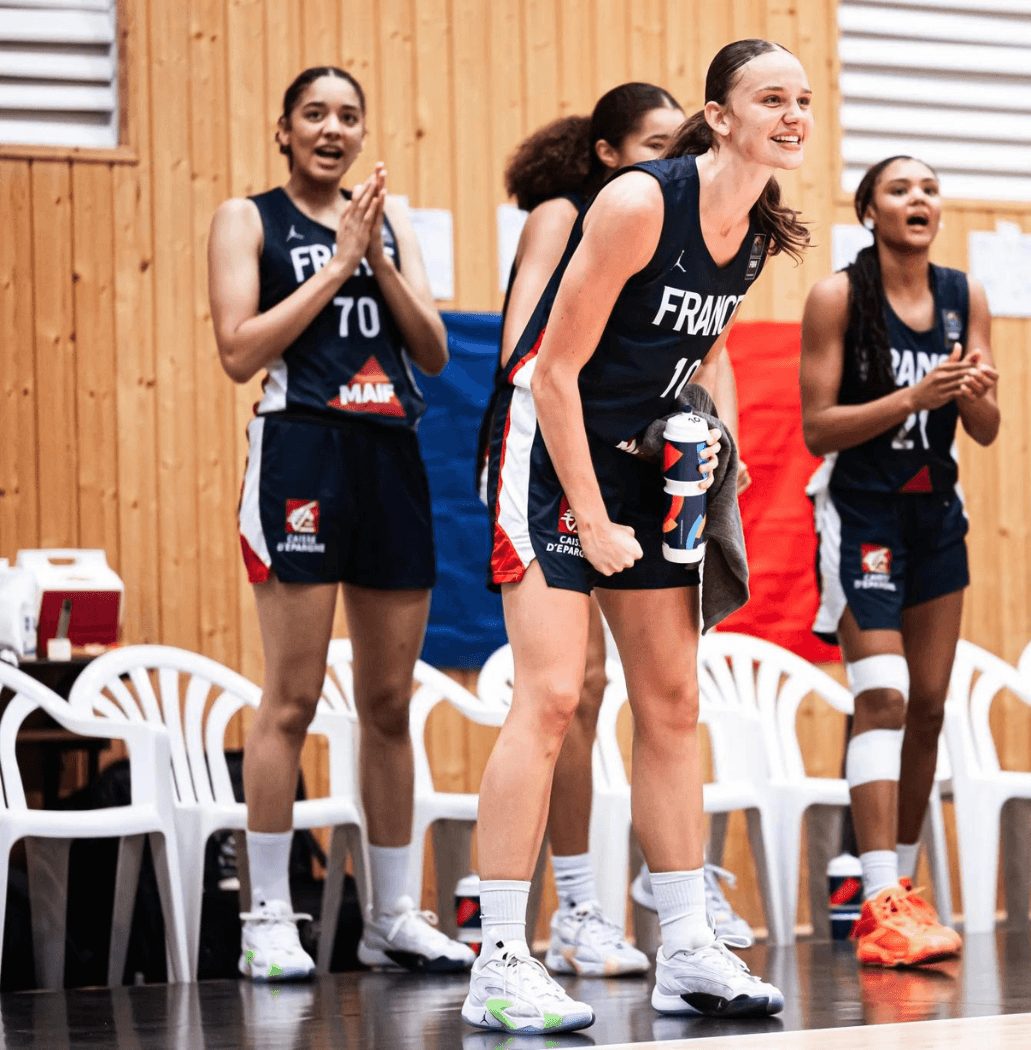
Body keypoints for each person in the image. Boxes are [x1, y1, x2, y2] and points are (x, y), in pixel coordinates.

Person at [465, 39, 811, 1032]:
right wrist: (591, 513)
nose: (792, 115)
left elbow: (689, 353)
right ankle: (500, 956)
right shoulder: (635, 204)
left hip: (643, 455)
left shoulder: (754, 227)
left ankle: (687, 947)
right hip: (550, 449)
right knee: (554, 696)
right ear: (719, 115)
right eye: (770, 98)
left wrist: (706, 444)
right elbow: (552, 370)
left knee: (672, 699)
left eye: (803, 100)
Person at [207, 66, 472, 980]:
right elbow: (240, 351)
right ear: (283, 131)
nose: (332, 128)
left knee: (391, 703)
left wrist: (377, 258)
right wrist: (334, 266)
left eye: (349, 116)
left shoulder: (387, 226)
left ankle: (392, 913)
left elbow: (434, 350)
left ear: (363, 135)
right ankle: (269, 916)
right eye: (314, 114)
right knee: (289, 698)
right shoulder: (248, 220)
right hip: (301, 455)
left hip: (389, 454)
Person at [799, 155, 999, 967]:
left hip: (934, 515)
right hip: (862, 509)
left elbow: (985, 428)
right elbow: (817, 427)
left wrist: (971, 389)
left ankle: (901, 892)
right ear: (869, 211)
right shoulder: (837, 296)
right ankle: (878, 891)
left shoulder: (964, 295)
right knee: (880, 695)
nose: (918, 200)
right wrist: (911, 398)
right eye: (899, 189)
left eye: (928, 189)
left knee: (927, 706)